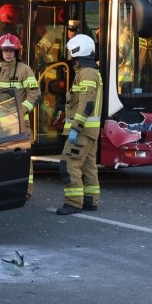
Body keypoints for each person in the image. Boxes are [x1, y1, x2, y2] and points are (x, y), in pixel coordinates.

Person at [0, 33, 41, 196]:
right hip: (1, 124)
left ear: (17, 52)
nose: (8, 53)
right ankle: (6, 189)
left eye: (11, 50)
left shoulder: (24, 70)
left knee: (22, 157)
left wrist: (20, 111)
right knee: (2, 157)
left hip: (19, 123)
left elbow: (35, 94)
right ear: (0, 52)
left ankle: (26, 190)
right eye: (5, 50)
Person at [58, 34, 103, 214]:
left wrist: (75, 128)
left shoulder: (87, 73)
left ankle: (73, 203)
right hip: (89, 131)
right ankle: (90, 201)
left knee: (69, 164)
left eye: (70, 51)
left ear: (78, 51)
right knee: (88, 166)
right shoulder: (87, 71)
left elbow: (87, 104)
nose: (69, 55)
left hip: (82, 131)